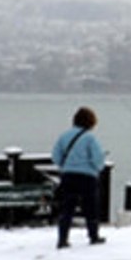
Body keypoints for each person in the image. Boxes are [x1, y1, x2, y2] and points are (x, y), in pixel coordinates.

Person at [51, 106, 106, 249]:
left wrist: (65, 165)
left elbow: (55, 156)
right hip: (87, 177)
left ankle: (62, 239)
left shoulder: (64, 136)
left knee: (67, 208)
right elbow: (98, 158)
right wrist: (97, 168)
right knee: (90, 207)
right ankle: (93, 236)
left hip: (68, 176)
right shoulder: (89, 138)